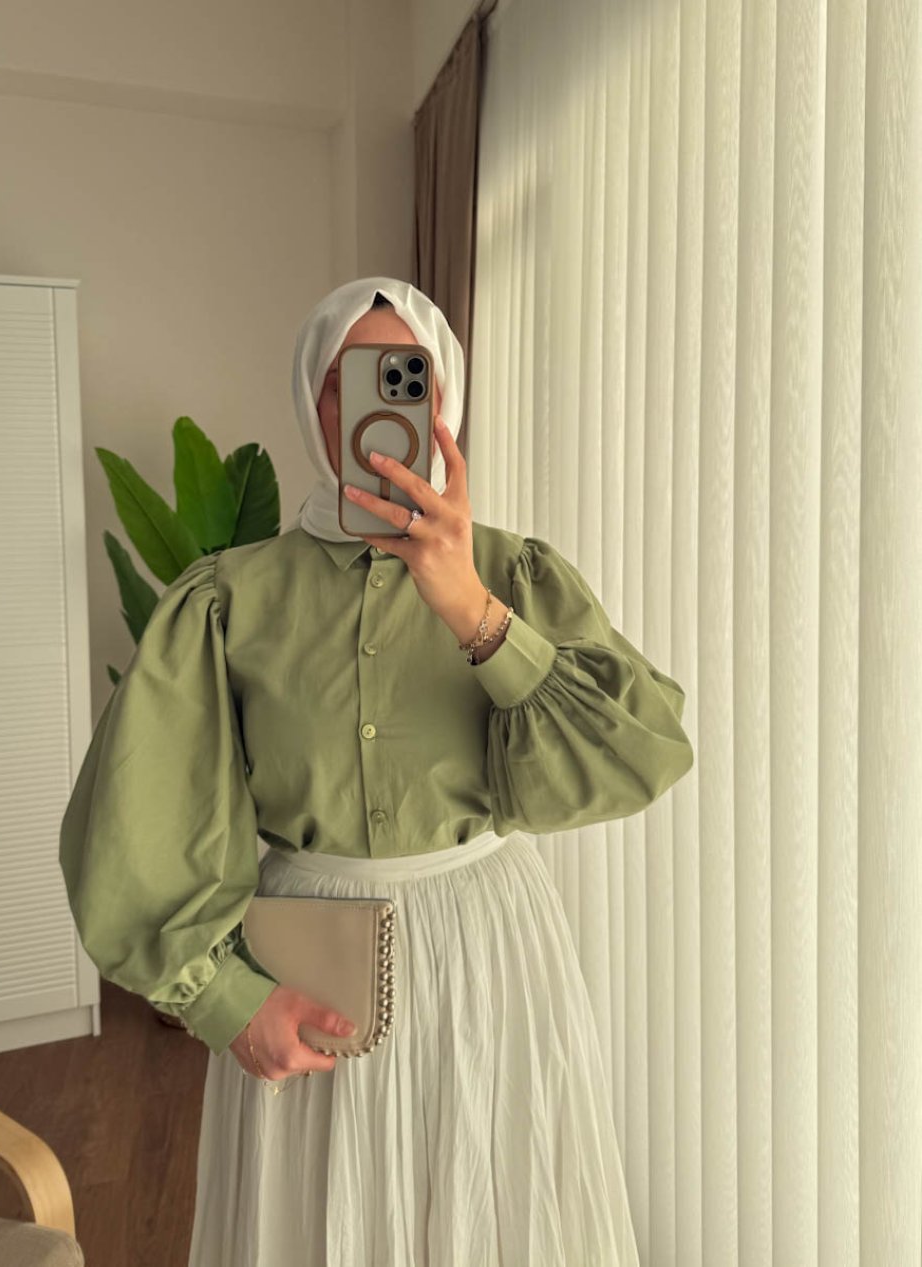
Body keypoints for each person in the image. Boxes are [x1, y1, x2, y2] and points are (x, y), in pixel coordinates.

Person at [58, 276, 694, 1266]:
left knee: (495, 1209)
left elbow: (640, 752)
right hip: (299, 969)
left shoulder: (516, 577)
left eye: (408, 376)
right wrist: (226, 1001)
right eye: (347, 382)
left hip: (488, 954)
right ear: (312, 398)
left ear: (445, 401)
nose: (378, 405)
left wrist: (470, 607)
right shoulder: (228, 599)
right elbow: (136, 823)